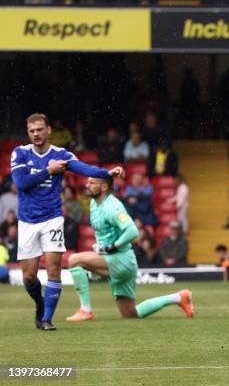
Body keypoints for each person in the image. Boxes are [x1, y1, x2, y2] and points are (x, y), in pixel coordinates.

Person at [10, 113, 124, 330]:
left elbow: (85, 169)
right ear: (28, 133)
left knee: (53, 268)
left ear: (48, 130)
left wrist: (106, 173)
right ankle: (40, 304)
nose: (36, 134)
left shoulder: (61, 155)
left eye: (40, 130)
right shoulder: (21, 153)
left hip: (52, 217)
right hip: (27, 221)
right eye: (32, 131)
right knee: (29, 277)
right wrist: (48, 171)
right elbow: (21, 183)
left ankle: (46, 319)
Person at [64, 176, 193, 322]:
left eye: (92, 183)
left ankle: (85, 310)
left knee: (74, 260)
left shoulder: (113, 207)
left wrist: (113, 246)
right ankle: (179, 297)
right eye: (88, 182)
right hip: (118, 261)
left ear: (104, 187)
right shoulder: (94, 203)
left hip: (121, 259)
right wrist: (99, 250)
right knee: (130, 314)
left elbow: (132, 231)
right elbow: (102, 232)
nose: (87, 185)